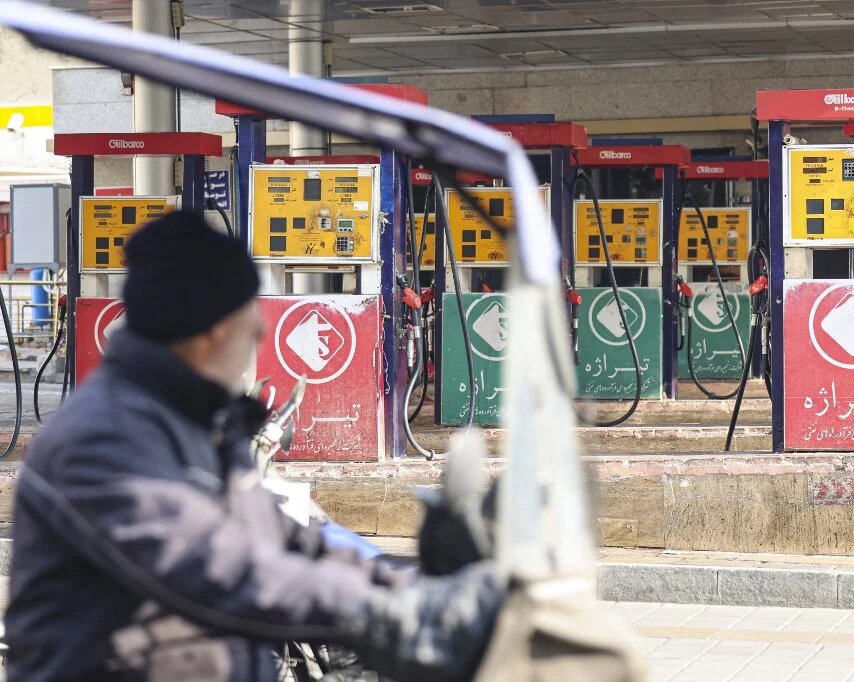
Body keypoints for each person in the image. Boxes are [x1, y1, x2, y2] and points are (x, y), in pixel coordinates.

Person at [5, 211, 503, 681]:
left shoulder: (195, 421)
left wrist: (404, 588)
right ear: (215, 329)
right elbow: (216, 568)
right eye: (251, 314)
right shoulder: (104, 439)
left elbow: (284, 538)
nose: (262, 330)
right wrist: (373, 612)